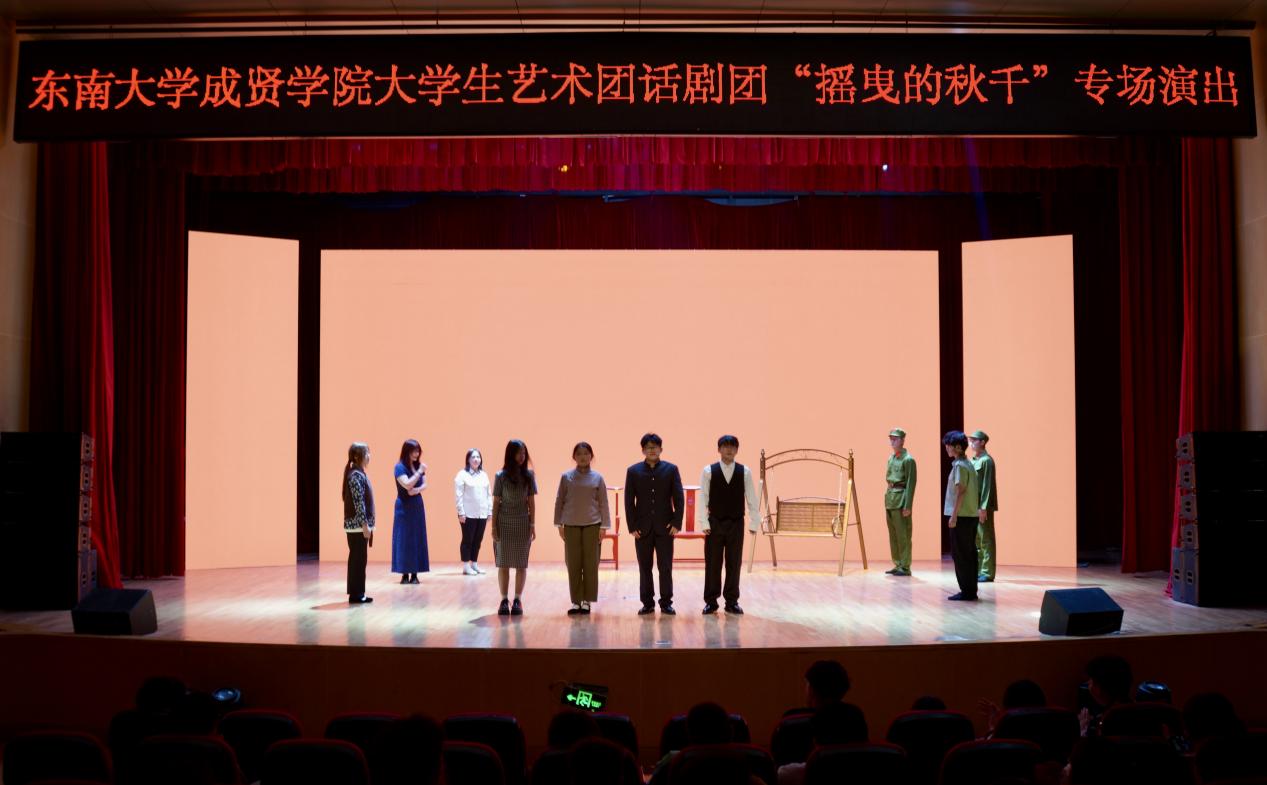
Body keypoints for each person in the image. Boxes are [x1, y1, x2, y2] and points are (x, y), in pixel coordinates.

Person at [697, 434, 761, 615]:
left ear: (737, 450)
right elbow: (703, 497)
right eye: (725, 446)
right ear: (719, 449)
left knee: (734, 563)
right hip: (714, 523)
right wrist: (704, 522)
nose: (729, 449)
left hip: (736, 523)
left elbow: (751, 498)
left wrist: (754, 522)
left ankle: (732, 601)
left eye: (732, 446)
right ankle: (711, 601)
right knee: (713, 563)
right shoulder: (708, 471)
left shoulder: (745, 472)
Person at [625, 433, 684, 616]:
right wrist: (632, 526)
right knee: (645, 567)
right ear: (643, 450)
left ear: (661, 449)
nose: (652, 450)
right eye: (648, 447)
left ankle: (666, 603)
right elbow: (629, 501)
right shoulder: (633, 471)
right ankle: (647, 603)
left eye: (655, 447)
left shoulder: (671, 469)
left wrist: (676, 522)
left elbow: (679, 498)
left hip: (666, 527)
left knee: (665, 567)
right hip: (642, 528)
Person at [555, 442, 612, 615]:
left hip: (593, 525)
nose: (583, 457)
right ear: (574, 457)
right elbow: (559, 500)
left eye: (586, 453)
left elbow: (603, 502)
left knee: (590, 564)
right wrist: (559, 523)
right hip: (570, 525)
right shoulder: (566, 477)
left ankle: (587, 600)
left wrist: (604, 526)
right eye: (579, 453)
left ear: (591, 456)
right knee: (573, 563)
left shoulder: (598, 478)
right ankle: (576, 601)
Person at [492, 439, 537, 616]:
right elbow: (496, 502)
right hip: (504, 522)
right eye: (519, 452)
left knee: (521, 564)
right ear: (511, 454)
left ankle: (517, 599)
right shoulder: (500, 476)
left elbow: (531, 502)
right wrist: (493, 526)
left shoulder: (529, 476)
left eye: (524, 453)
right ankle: (504, 599)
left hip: (522, 522)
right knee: (503, 564)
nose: (522, 456)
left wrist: (532, 524)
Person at [943, 430, 980, 601]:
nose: (946, 448)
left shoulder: (959, 466)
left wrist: (954, 515)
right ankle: (971, 590)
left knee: (961, 554)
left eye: (949, 445)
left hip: (962, 516)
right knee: (969, 553)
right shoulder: (968, 464)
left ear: (958, 447)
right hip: (970, 515)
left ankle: (967, 591)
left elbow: (961, 491)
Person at [392, 439, 429, 585]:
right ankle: (404, 574)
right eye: (414, 451)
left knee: (417, 538)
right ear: (406, 451)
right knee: (404, 539)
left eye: (418, 451)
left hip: (417, 506)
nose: (416, 454)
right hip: (403, 507)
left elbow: (425, 484)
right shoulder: (399, 467)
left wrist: (417, 490)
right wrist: (419, 473)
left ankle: (415, 574)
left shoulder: (419, 465)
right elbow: (407, 484)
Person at [343, 442, 375, 604]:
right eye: (366, 453)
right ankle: (356, 594)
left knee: (358, 560)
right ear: (356, 456)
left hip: (357, 526)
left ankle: (358, 593)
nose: (369, 456)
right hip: (357, 527)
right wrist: (365, 525)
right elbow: (359, 502)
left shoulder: (358, 474)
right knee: (358, 560)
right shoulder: (355, 475)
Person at [884, 427, 917, 576]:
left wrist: (908, 505)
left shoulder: (908, 460)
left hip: (901, 499)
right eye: (891, 438)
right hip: (890, 498)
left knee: (903, 534)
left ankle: (905, 566)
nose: (892, 441)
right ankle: (897, 563)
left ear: (902, 440)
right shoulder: (891, 458)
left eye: (895, 438)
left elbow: (911, 483)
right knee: (893, 534)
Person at [455, 448, 492, 576]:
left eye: (478, 457)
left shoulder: (484, 475)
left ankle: (474, 564)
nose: (476, 459)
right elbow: (458, 495)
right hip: (467, 514)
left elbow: (488, 494)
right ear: (468, 460)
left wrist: (490, 511)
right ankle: (466, 566)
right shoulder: (462, 475)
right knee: (467, 539)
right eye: (473, 457)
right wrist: (461, 512)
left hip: (482, 513)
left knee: (478, 539)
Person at [970, 430, 999, 583]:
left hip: (982, 506)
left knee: (986, 538)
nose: (971, 442)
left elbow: (988, 486)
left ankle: (987, 572)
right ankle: (979, 569)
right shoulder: (974, 461)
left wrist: (984, 507)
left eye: (974, 440)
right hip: (972, 505)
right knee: (976, 539)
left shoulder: (987, 461)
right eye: (971, 440)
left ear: (982, 442)